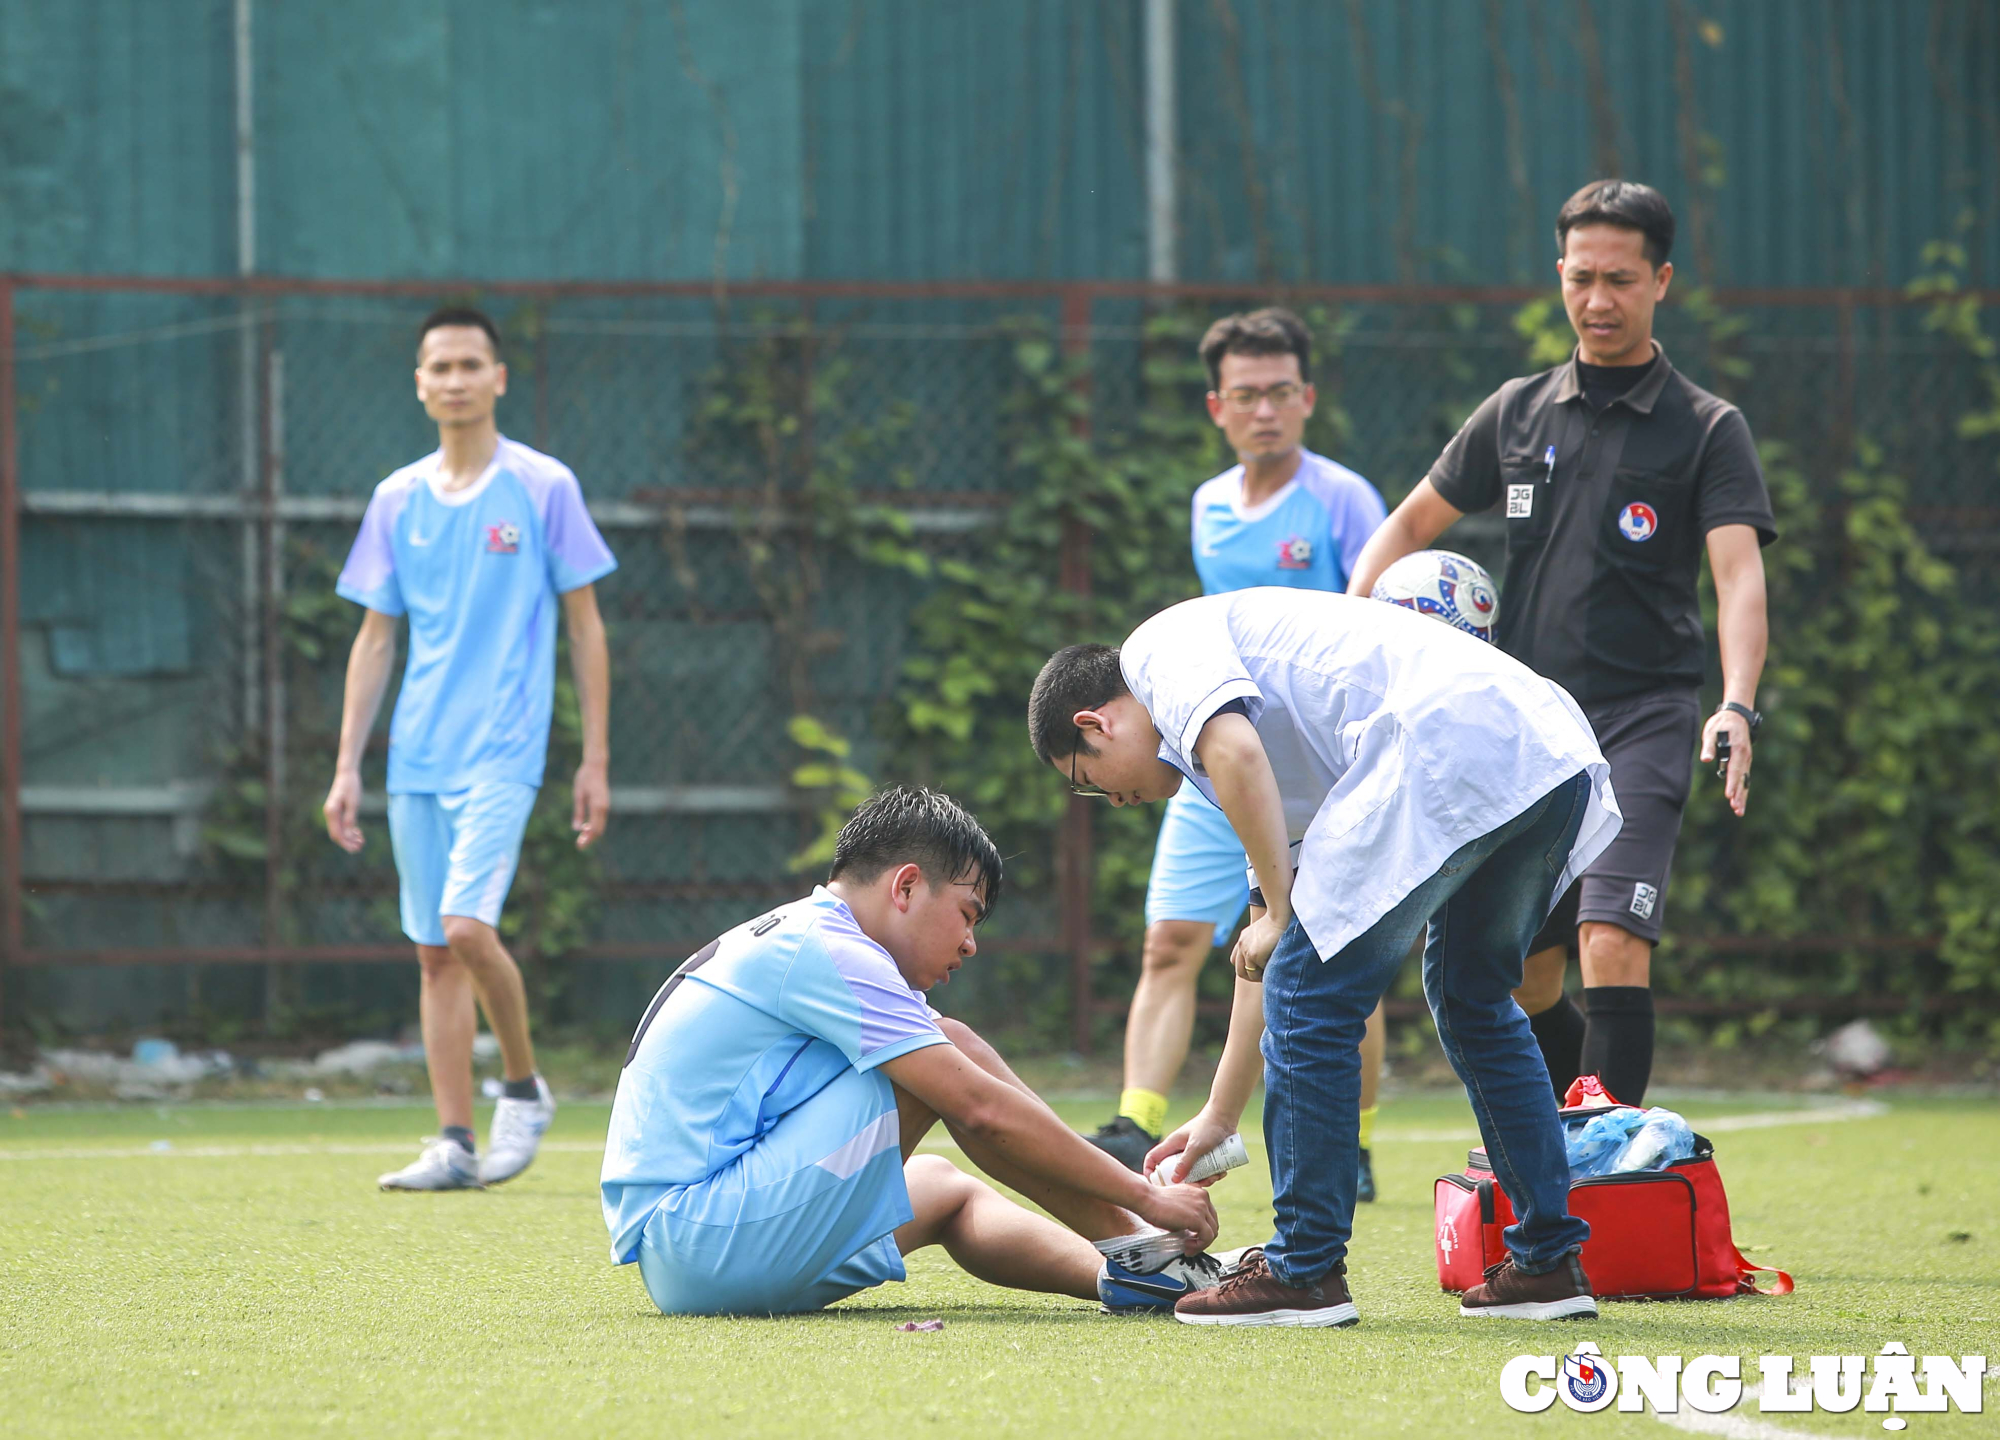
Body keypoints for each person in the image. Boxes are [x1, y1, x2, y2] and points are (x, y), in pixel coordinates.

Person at [1029, 588, 1622, 1325]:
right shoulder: (1230, 762)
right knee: (1473, 1000)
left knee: (1314, 1001)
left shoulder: (1156, 652)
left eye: (1089, 782)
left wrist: (1281, 913)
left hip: (1448, 742)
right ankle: (1546, 1263)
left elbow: (1246, 786)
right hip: (1538, 746)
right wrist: (1219, 1114)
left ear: (1095, 722)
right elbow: (1262, 959)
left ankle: (1304, 1270)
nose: (1112, 803)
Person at [1346, 179, 1775, 1106]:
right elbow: (1411, 523)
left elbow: (1739, 575)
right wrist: (1358, 618)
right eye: (1581, 278)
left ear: (1661, 281)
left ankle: (1608, 1179)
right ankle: (1573, 1145)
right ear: (1560, 277)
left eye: (1620, 279)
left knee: (1610, 941)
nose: (1598, 300)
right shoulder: (1516, 410)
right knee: (1527, 978)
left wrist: (1737, 702)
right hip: (1529, 728)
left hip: (1646, 718)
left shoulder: (1706, 427)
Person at [600, 786, 1221, 1317]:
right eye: (967, 914)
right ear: (905, 887)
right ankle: (1144, 1249)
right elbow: (979, 1108)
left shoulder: (808, 935)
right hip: (703, 1239)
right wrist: (1147, 1198)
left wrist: (1124, 1193)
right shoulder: (831, 949)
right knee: (948, 1058)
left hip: (689, 1250)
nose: (971, 943)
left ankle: (1127, 1277)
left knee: (942, 1187)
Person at [1085, 309, 1393, 1207]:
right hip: (1209, 754)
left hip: (1314, 771)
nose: (1266, 411)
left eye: (1282, 393)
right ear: (1218, 407)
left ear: (1308, 399)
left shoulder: (1343, 498)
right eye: (1247, 395)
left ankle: (1359, 1139)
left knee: (1336, 950)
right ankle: (1139, 1117)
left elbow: (1366, 626)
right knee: (1170, 942)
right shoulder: (1208, 506)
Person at [323, 306, 617, 1191]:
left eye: (469, 364)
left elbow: (585, 627)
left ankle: (522, 1089)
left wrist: (593, 757)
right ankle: (452, 1140)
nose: (453, 379)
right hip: (415, 755)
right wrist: (345, 765)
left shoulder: (543, 486)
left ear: (497, 378)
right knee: (433, 952)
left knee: (465, 924)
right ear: (419, 383)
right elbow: (375, 639)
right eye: (438, 366)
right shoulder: (396, 499)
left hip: (504, 748)